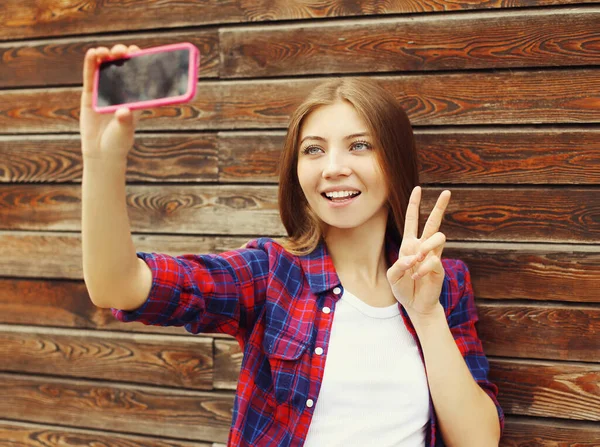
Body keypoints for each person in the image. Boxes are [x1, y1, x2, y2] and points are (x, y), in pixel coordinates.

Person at [80, 44, 504, 447]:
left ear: (394, 161)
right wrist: (102, 160)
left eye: (359, 146)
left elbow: (479, 439)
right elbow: (118, 286)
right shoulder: (270, 273)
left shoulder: (442, 284)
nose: (334, 168)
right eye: (314, 150)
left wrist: (426, 315)